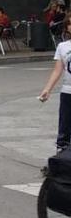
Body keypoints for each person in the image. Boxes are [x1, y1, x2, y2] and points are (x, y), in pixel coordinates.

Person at [40, 20, 71, 151]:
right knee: (64, 128)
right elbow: (57, 70)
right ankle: (61, 158)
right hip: (68, 92)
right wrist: (47, 89)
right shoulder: (63, 47)